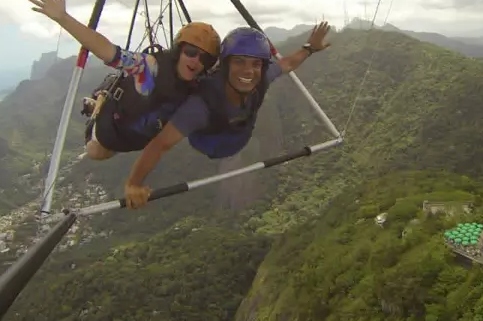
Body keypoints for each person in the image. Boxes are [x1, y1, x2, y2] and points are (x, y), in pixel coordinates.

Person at [121, 22, 332, 209]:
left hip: (238, 135)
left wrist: (310, 48)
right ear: (225, 65)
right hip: (210, 142)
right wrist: (134, 183)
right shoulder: (202, 106)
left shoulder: (261, 79)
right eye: (239, 62)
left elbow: (286, 63)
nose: (248, 71)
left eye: (255, 64)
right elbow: (160, 145)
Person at [28, 0, 221, 159]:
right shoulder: (150, 67)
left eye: (204, 58)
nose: (196, 60)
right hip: (114, 127)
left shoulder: (198, 83)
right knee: (96, 152)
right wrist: (63, 18)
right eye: (191, 52)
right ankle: (99, 102)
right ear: (179, 51)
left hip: (141, 136)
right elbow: (107, 50)